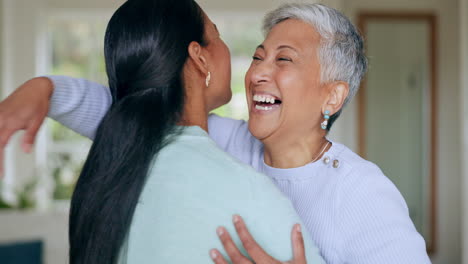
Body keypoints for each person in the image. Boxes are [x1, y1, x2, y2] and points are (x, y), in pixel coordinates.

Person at [0, 3, 431, 264]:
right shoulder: (224, 143)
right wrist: (46, 90)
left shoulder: (361, 193)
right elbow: (132, 112)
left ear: (332, 96)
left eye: (284, 60)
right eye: (259, 56)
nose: (258, 72)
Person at [34, 0, 323, 263]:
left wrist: (43, 89)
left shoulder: (102, 177)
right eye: (217, 35)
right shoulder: (247, 190)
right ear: (199, 57)